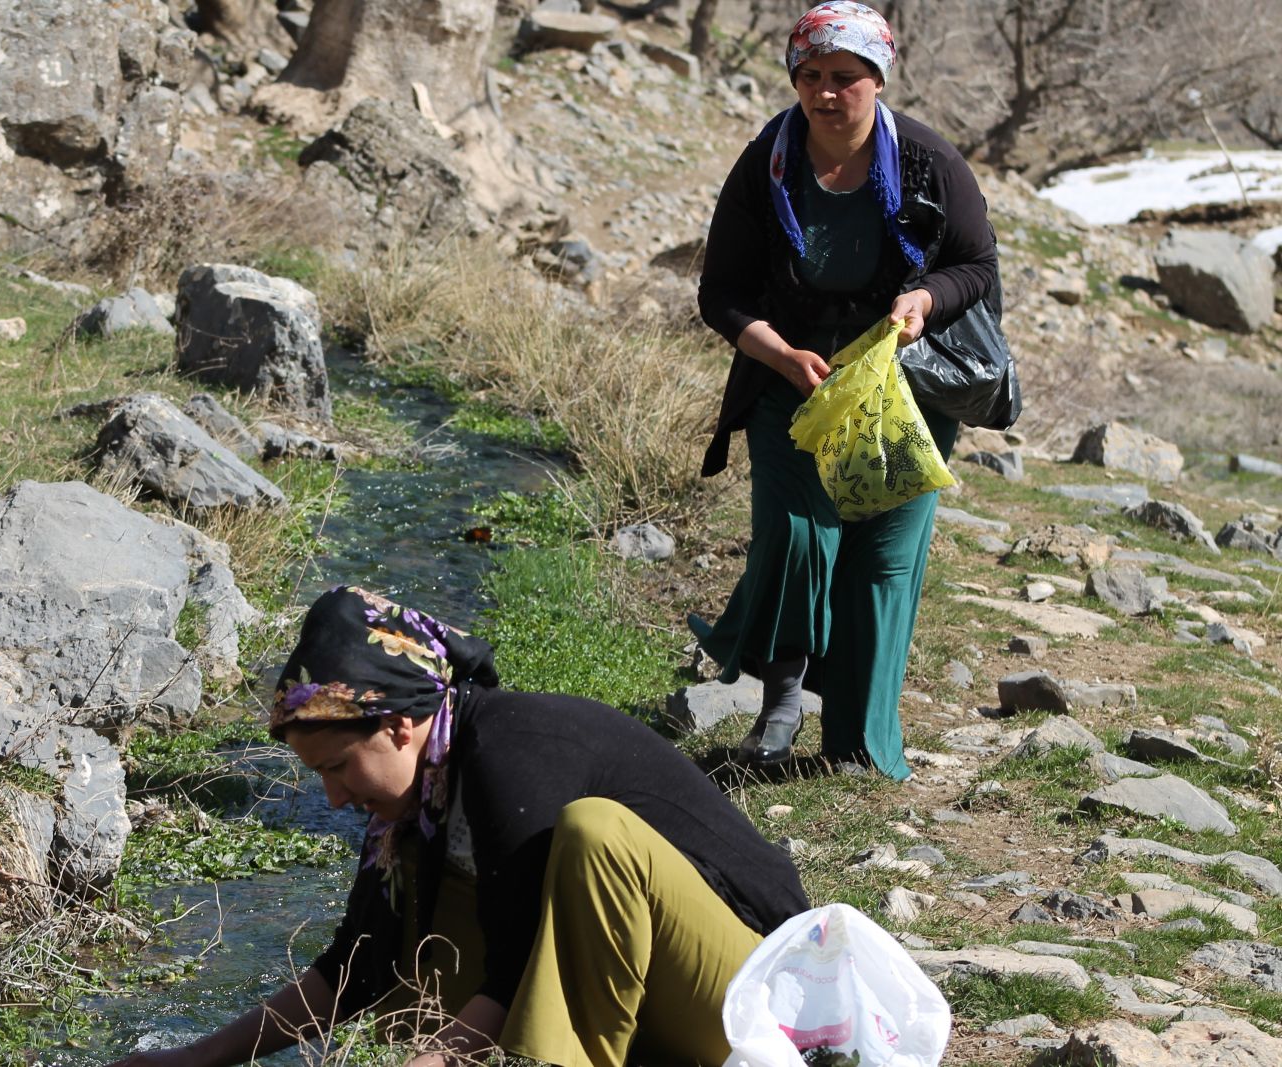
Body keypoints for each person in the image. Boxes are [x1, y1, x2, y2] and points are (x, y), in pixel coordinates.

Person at [107, 585, 809, 1067]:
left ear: (398, 724)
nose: (334, 798)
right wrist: (197, 1056)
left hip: (762, 994)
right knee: (410, 932)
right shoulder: (418, 801)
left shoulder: (508, 750)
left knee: (597, 834)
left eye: (341, 767)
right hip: (655, 997)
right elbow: (355, 966)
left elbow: (518, 966)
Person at [689, 1, 998, 779]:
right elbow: (720, 294)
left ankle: (859, 747)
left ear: (879, 79)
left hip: (900, 392)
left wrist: (923, 302)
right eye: (811, 76)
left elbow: (975, 265)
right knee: (798, 535)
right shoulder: (769, 162)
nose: (826, 93)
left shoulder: (927, 161)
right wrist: (780, 354)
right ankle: (783, 701)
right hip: (794, 383)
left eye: (846, 78)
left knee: (882, 562)